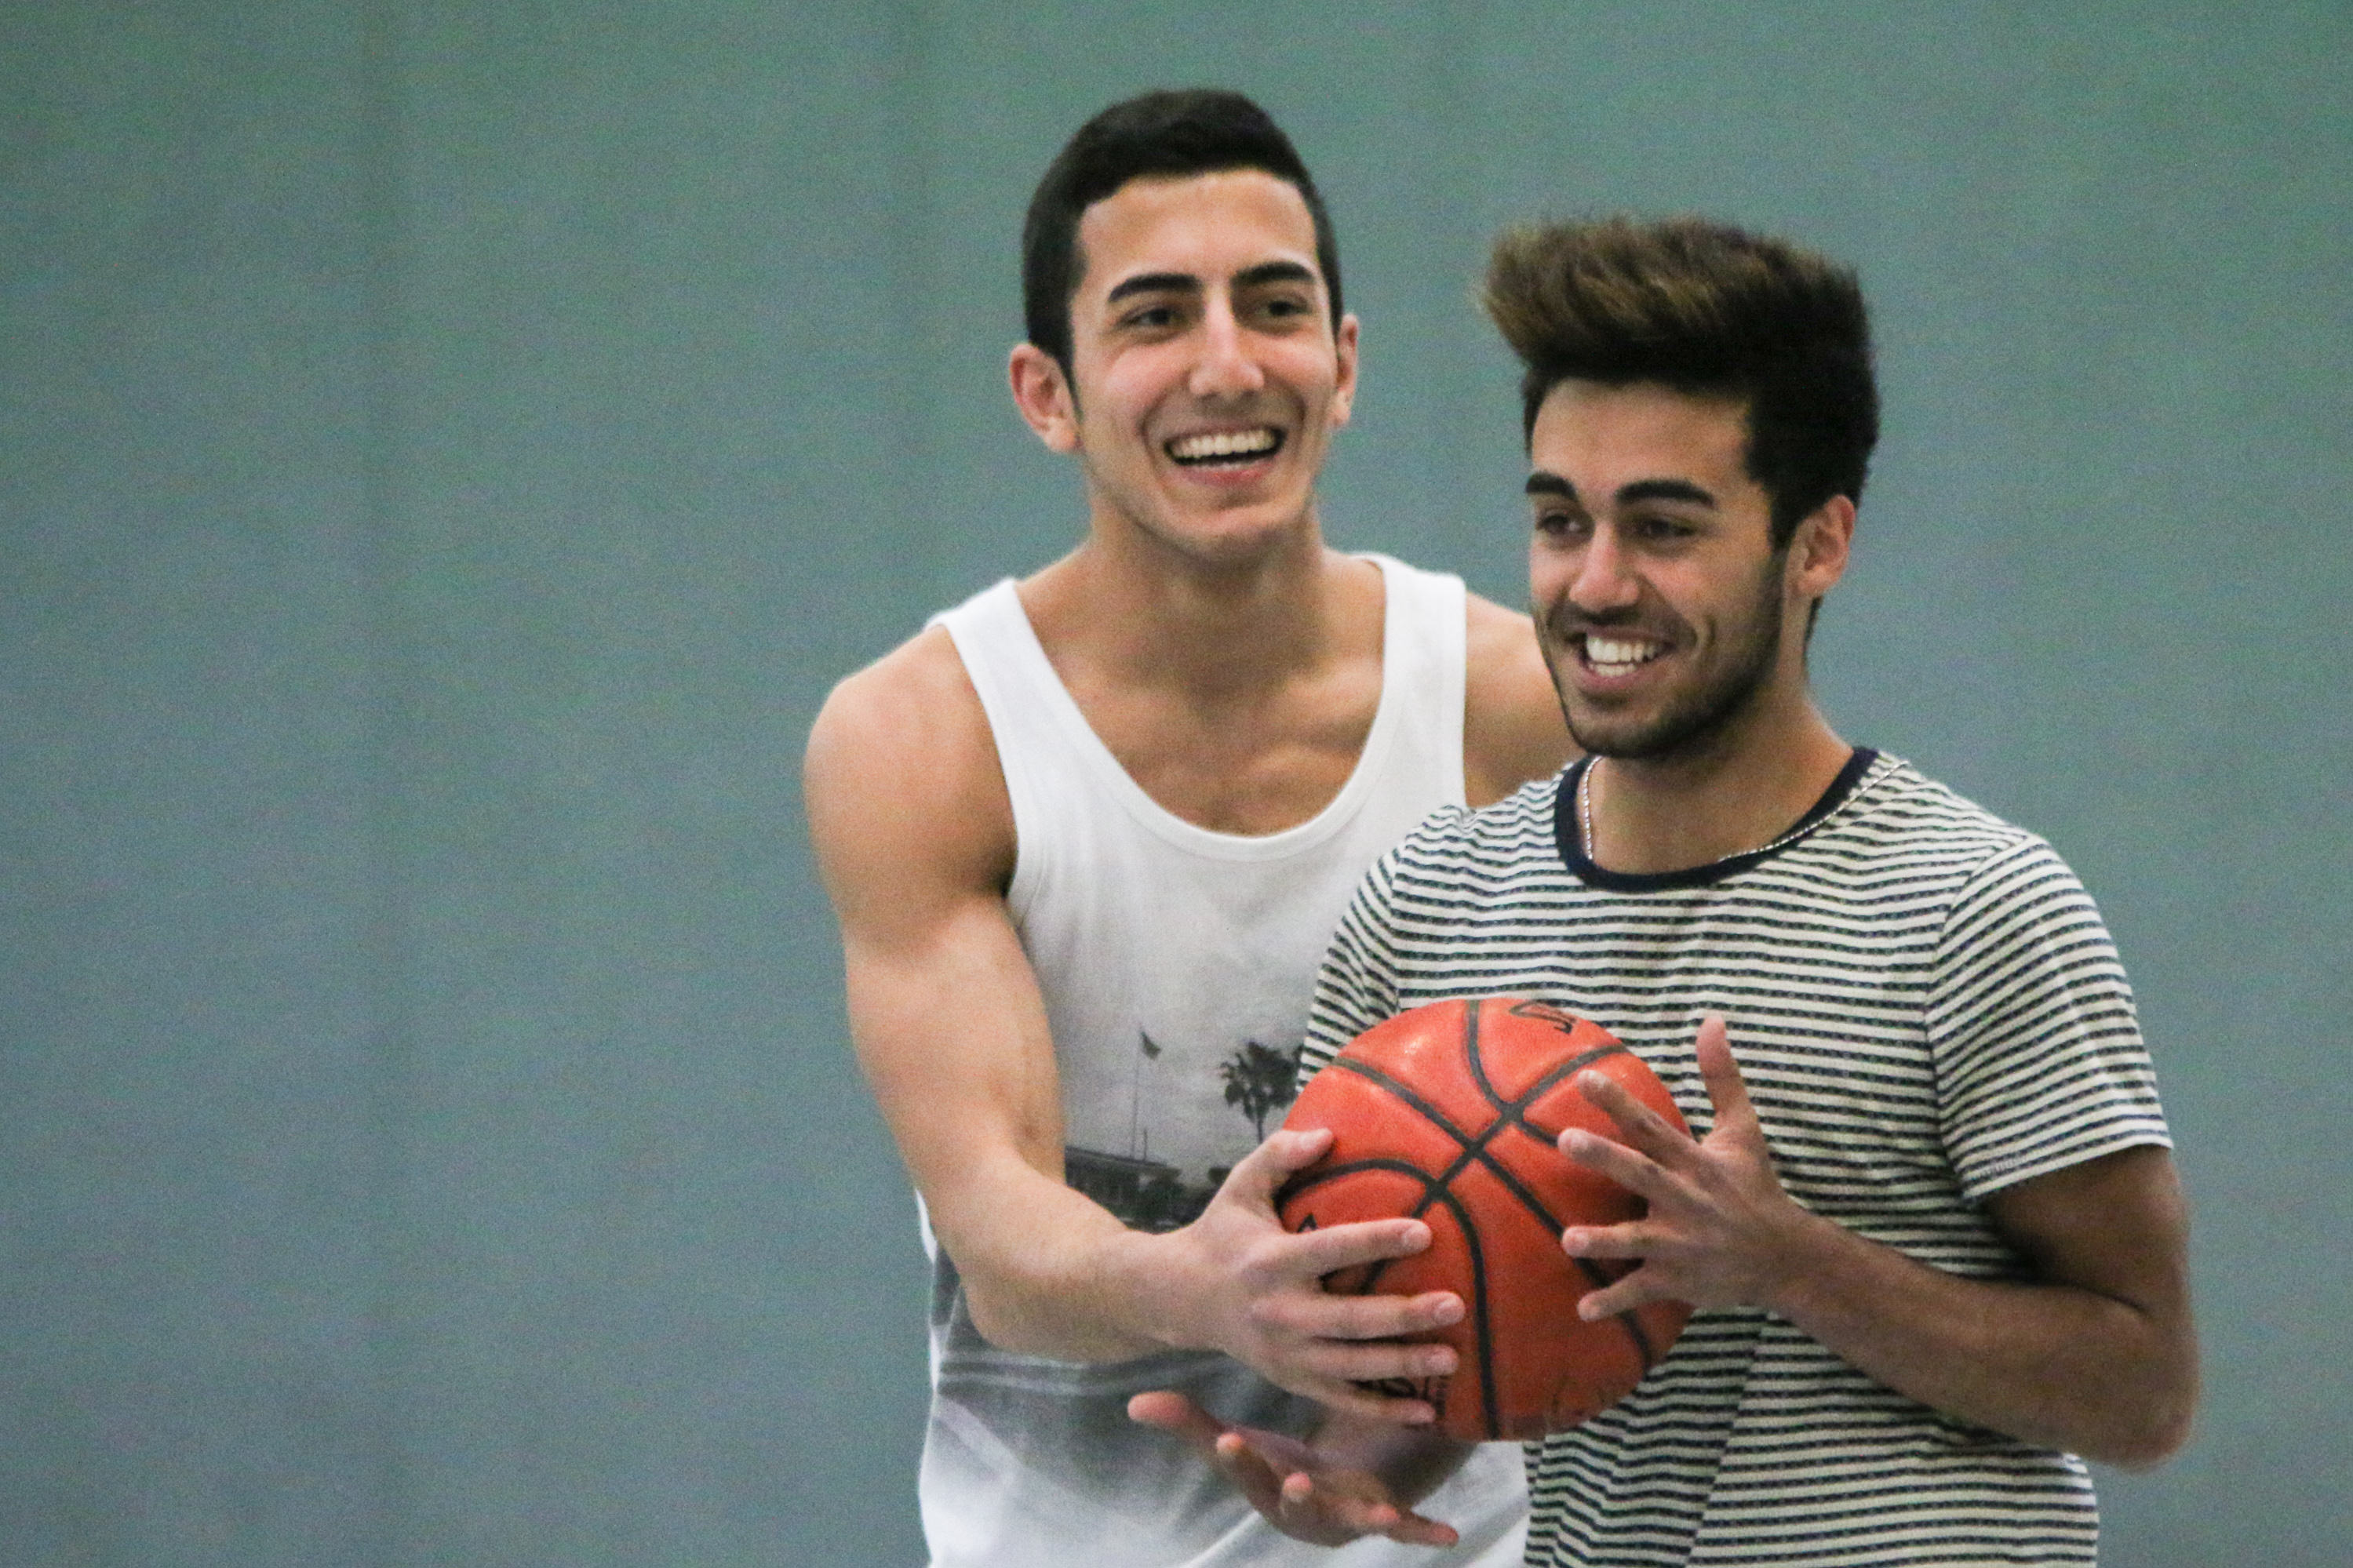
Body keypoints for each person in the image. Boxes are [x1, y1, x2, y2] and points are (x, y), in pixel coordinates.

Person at [1141, 216, 2198, 1564]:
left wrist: (1788, 1261)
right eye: (1559, 521)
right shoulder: (1428, 906)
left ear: (1818, 544)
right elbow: (1469, 1332)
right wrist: (1352, 1461)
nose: (1595, 584)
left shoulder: (1974, 907)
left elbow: (2146, 1391)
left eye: (1662, 527)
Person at [803, 89, 1572, 1565]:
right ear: (1048, 394)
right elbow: (1002, 1236)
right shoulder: (927, 739)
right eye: (1156, 317)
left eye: (1274, 307)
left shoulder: (1516, 706)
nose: (1228, 365)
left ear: (1344, 366)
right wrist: (1205, 1290)